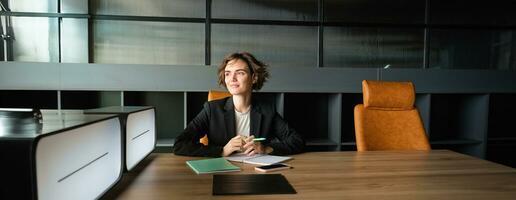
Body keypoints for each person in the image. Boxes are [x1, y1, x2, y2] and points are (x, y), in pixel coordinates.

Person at [173, 52, 305, 157]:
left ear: (254, 78)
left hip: (256, 172)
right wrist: (222, 151)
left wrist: (265, 148)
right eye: (228, 74)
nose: (232, 79)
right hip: (221, 173)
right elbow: (180, 144)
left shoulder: (266, 110)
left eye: (240, 73)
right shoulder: (212, 110)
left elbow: (297, 141)